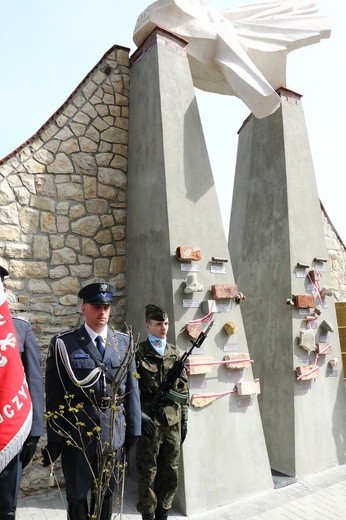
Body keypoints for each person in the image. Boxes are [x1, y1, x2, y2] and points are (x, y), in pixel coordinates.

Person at [42, 281, 141, 520]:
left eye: (107, 306)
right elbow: (55, 396)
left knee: (106, 493)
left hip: (112, 433)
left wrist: (133, 432)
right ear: (83, 308)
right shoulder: (65, 344)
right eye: (97, 306)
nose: (102, 311)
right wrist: (55, 441)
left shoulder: (123, 343)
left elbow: (132, 390)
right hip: (77, 435)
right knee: (77, 496)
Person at [135, 304, 189, 520]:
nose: (163, 327)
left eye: (165, 323)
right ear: (148, 326)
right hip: (150, 423)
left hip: (172, 423)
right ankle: (148, 515)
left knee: (170, 472)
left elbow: (183, 390)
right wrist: (138, 415)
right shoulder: (138, 353)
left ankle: (163, 514)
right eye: (158, 324)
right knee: (147, 472)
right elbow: (130, 390)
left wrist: (184, 420)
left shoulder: (175, 353)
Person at [0, 265, 44, 520]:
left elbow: (34, 381)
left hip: (9, 430)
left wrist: (35, 431)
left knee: (6, 507)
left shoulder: (20, 328)